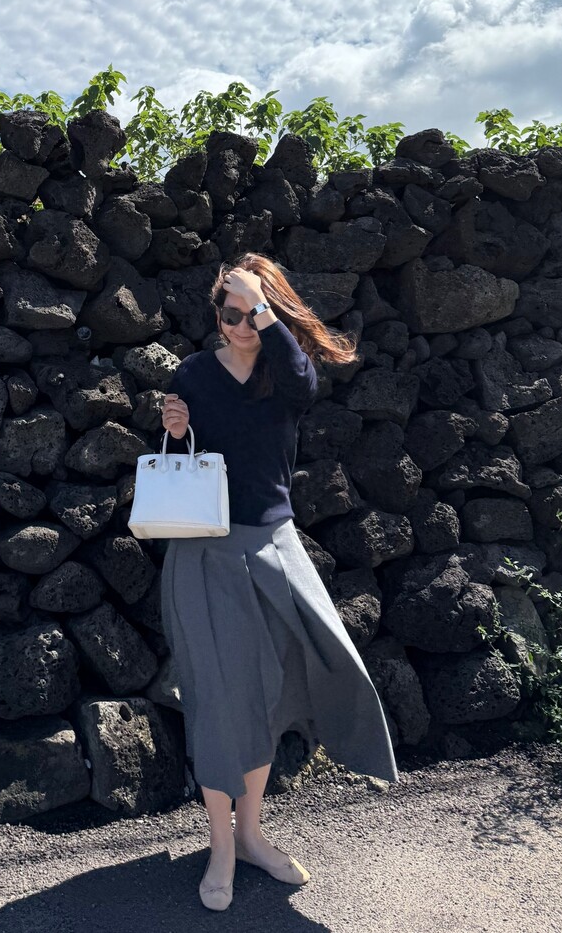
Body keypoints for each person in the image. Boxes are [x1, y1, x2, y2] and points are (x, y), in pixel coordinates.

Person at [159, 252, 400, 911]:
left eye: (252, 312)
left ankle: (252, 835)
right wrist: (175, 430)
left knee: (269, 698)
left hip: (273, 548)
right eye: (229, 313)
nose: (240, 324)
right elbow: (177, 463)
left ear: (271, 313)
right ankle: (221, 847)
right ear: (216, 315)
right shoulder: (194, 373)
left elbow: (303, 384)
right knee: (217, 702)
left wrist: (264, 310)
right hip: (204, 554)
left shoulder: (285, 369)